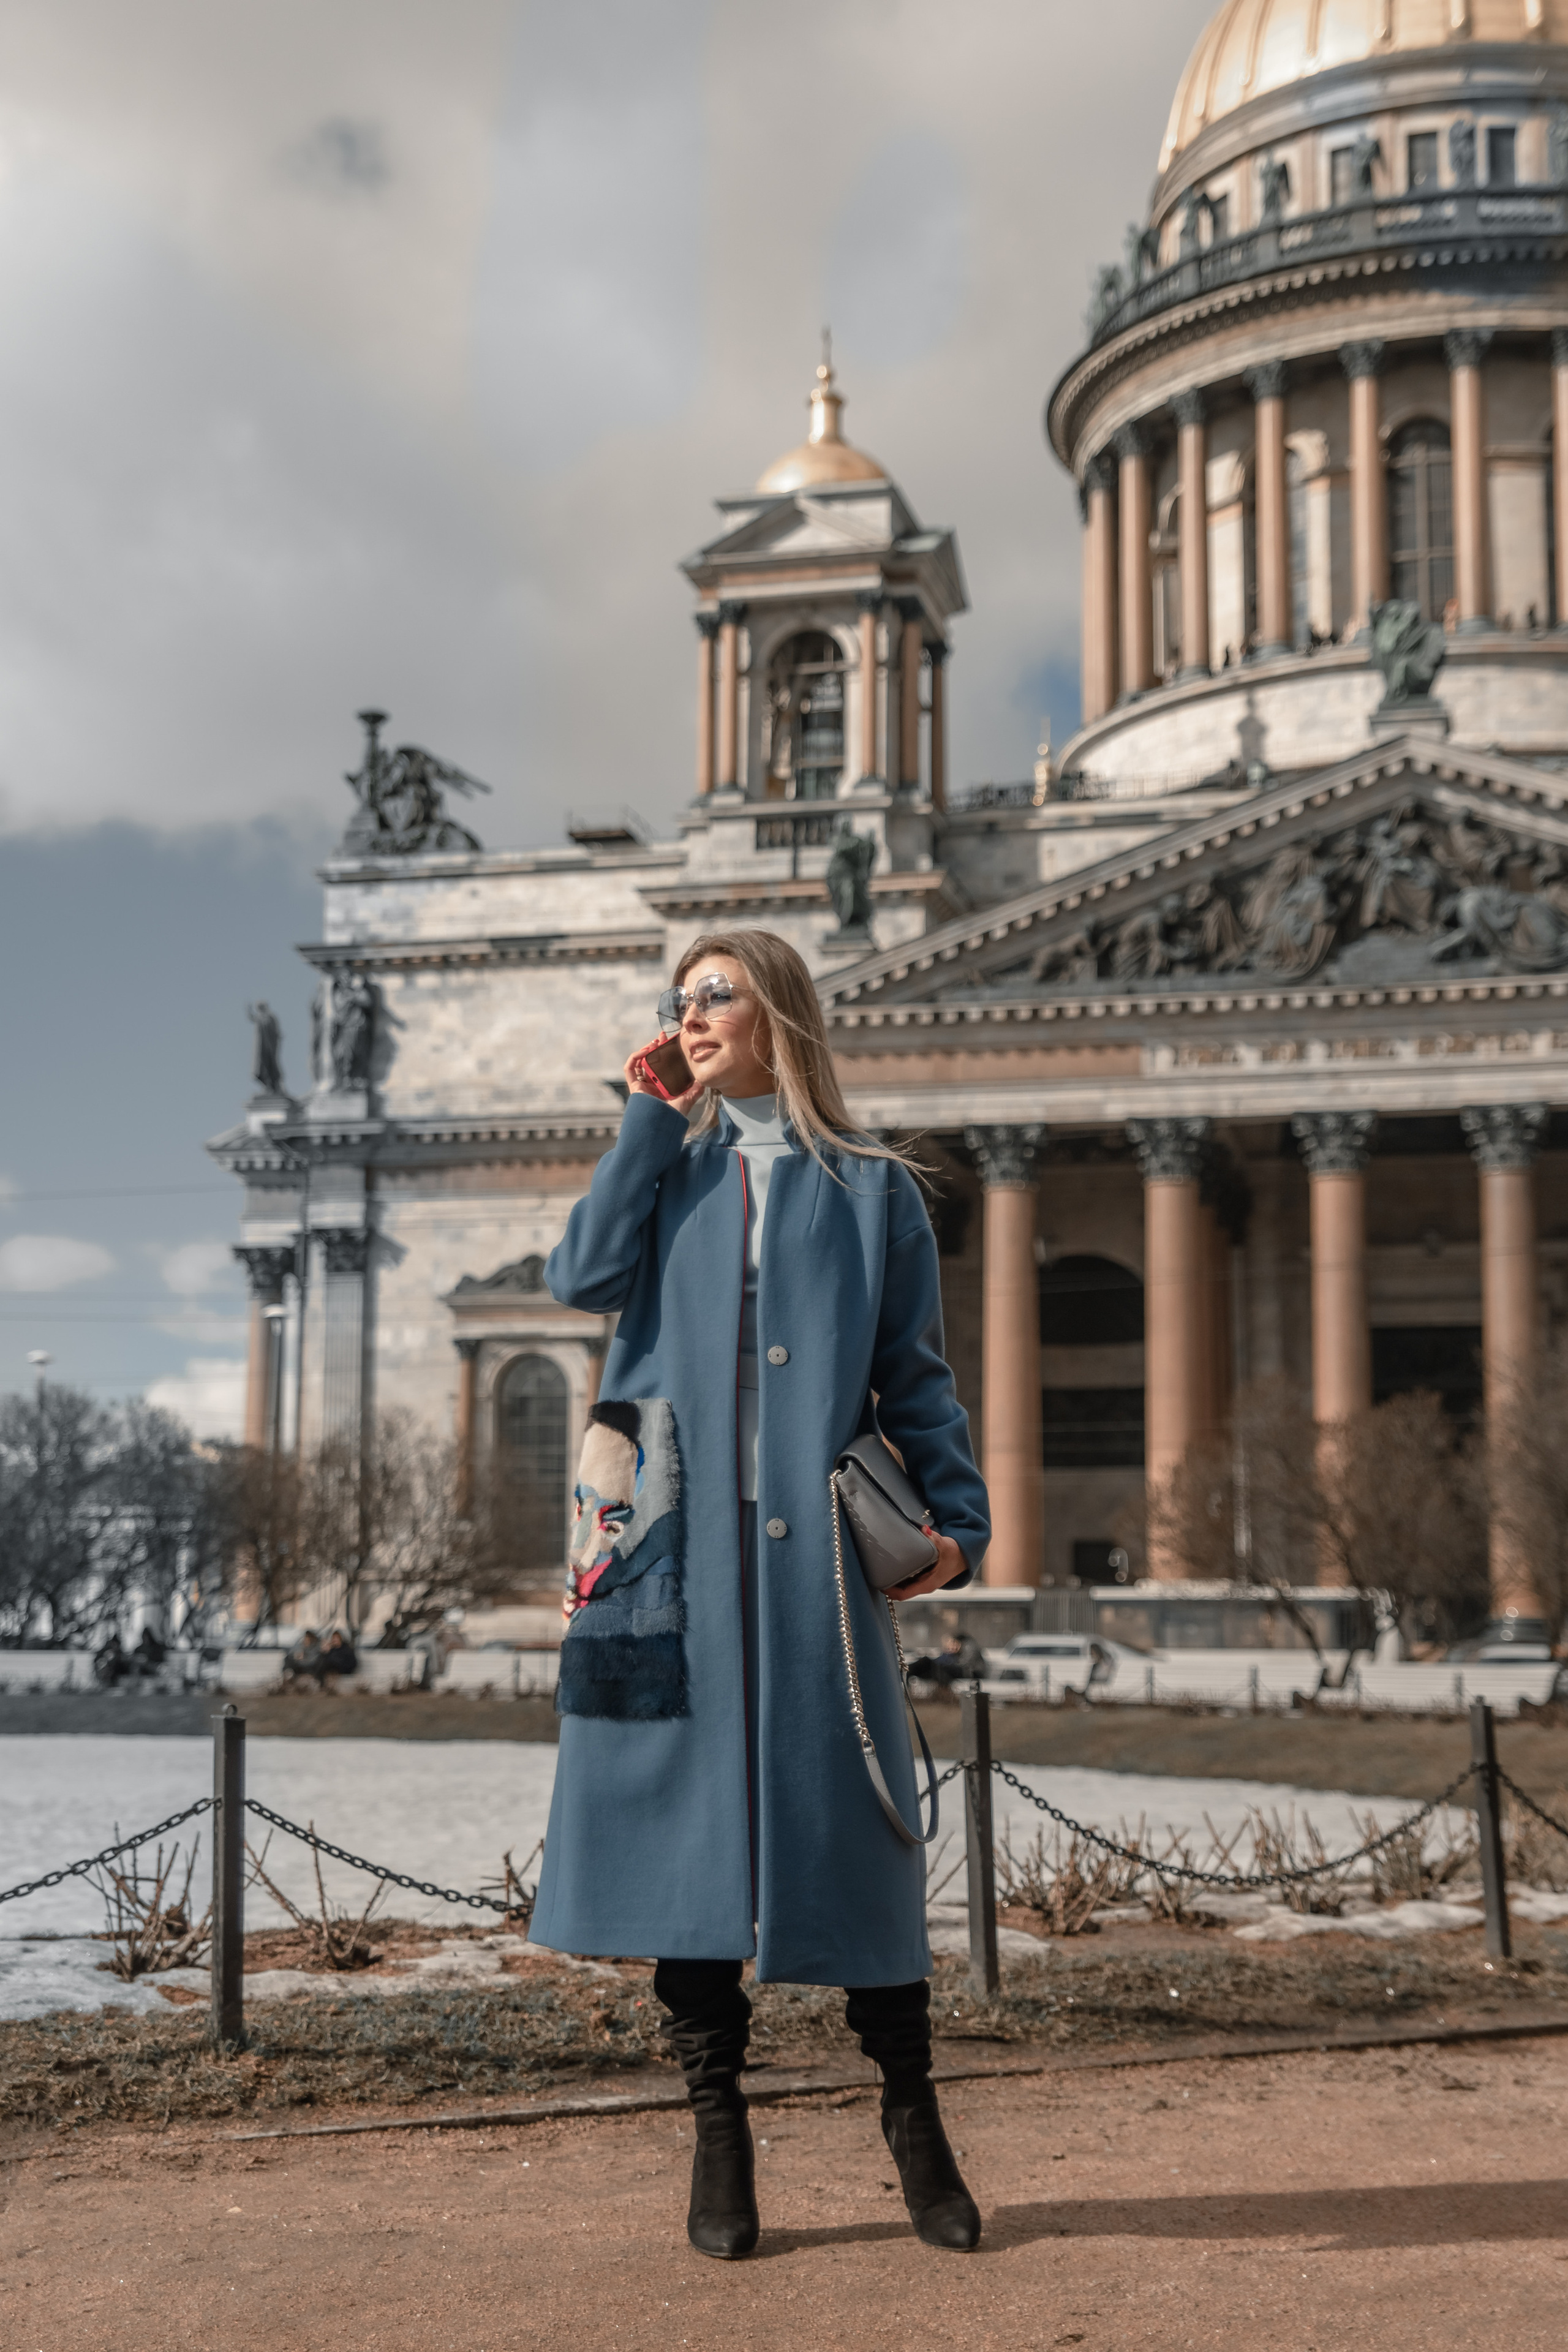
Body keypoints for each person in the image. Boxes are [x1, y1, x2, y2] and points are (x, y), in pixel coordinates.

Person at [530, 929, 991, 2261]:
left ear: (777, 1011)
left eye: (713, 996)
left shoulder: (870, 1189)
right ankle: (716, 2128)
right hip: (658, 1543)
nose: (689, 1017)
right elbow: (575, 1279)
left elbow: (917, 1376)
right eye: (676, 1003)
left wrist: (953, 1519)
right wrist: (639, 1120)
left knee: (852, 1813)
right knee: (681, 1840)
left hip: (813, 1544)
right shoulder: (664, 1170)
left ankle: (911, 2111)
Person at [907, 1628, 984, 1690]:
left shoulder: (969, 1646)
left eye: (955, 1642)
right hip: (954, 1671)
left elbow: (964, 1664)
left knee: (931, 1664)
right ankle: (908, 1671)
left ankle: (907, 1671)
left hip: (968, 1673)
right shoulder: (962, 1649)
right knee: (927, 1662)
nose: (953, 1645)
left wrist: (951, 1659)